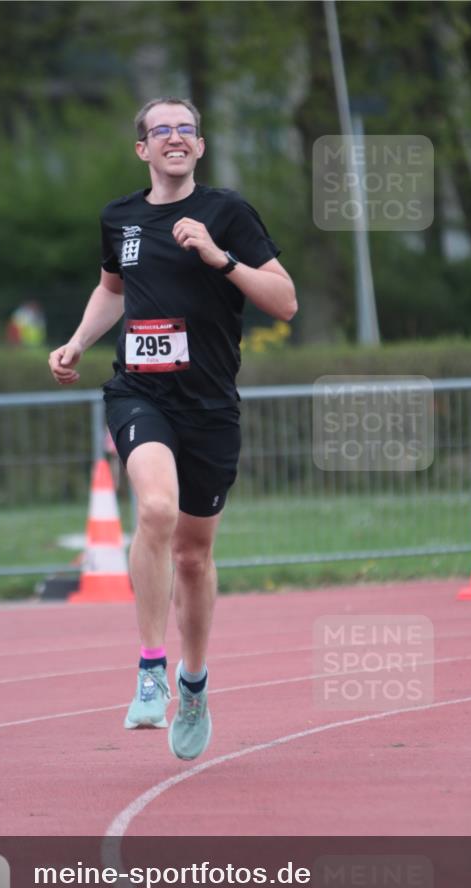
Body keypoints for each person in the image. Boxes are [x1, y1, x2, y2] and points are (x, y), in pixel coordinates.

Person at [49, 97, 297, 759]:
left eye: (185, 129)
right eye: (161, 131)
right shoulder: (120, 218)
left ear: (200, 145)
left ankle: (193, 682)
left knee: (192, 556)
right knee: (153, 508)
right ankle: (150, 669)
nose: (174, 139)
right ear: (142, 149)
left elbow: (285, 301)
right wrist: (76, 341)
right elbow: (113, 288)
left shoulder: (228, 213)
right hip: (139, 394)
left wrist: (218, 257)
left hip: (210, 406)